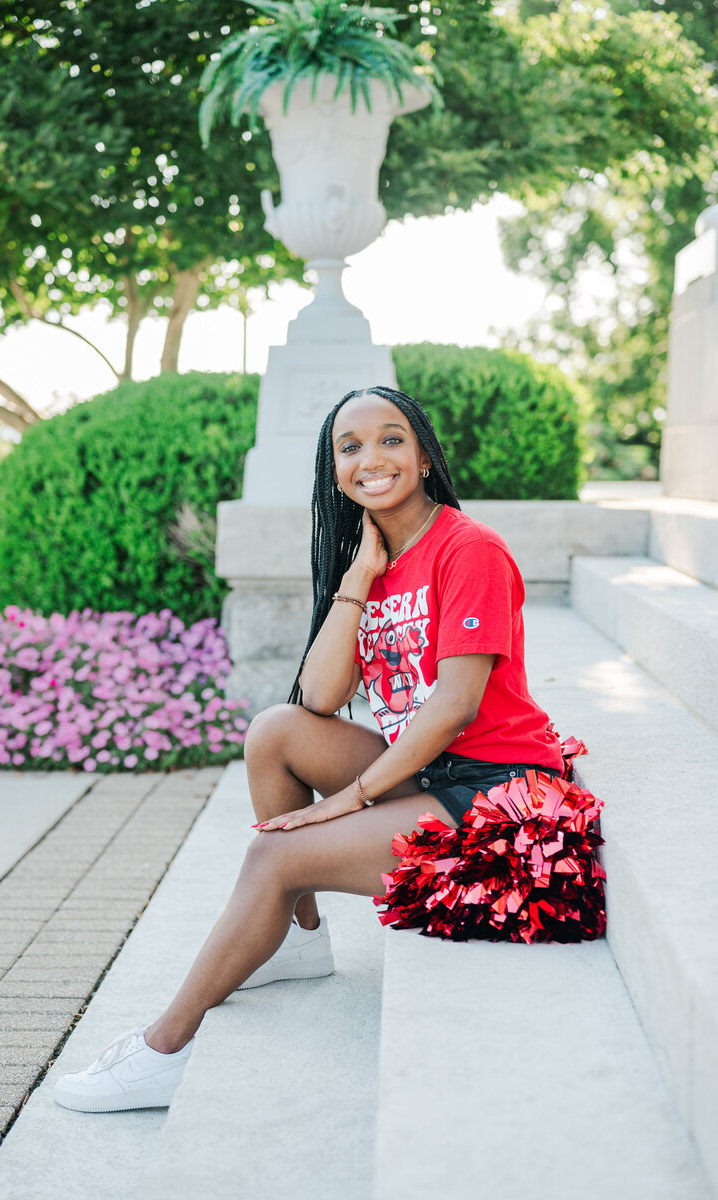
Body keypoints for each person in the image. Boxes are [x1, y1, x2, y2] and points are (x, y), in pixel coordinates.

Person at [53, 385, 564, 1113]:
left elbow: (454, 707)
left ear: (423, 455)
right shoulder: (380, 557)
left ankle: (165, 1049)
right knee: (275, 732)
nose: (371, 458)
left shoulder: (468, 548)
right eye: (348, 447)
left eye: (391, 439)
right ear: (334, 471)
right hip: (433, 773)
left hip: (499, 798)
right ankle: (298, 939)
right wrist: (356, 580)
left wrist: (348, 802)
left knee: (274, 854)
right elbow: (319, 700)